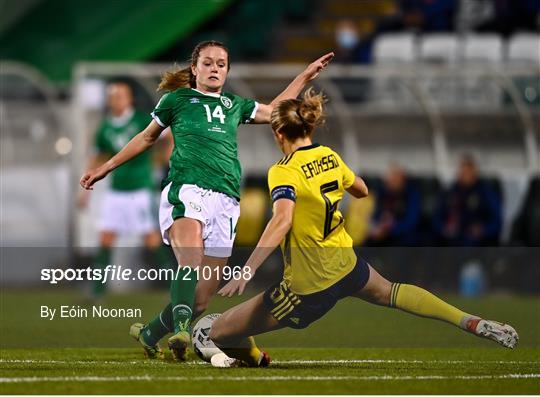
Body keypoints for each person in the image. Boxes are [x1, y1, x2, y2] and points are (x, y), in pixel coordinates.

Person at [208, 89, 518, 368]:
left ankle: (257, 359)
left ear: (278, 134)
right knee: (391, 291)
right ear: (309, 126)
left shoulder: (283, 171)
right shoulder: (329, 155)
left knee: (217, 331)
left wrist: (246, 271)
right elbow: (362, 189)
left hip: (309, 288)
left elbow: (282, 219)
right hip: (347, 265)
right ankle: (468, 321)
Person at [80, 40, 334, 361]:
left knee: (201, 299)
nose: (215, 68)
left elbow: (276, 110)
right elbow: (146, 137)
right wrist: (104, 167)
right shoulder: (178, 100)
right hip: (187, 188)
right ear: (194, 68)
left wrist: (305, 76)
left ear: (227, 71)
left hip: (226, 200)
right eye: (208, 63)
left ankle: (150, 333)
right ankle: (183, 331)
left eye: (221, 64)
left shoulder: (234, 105)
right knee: (191, 259)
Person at [78, 81, 173, 300]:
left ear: (129, 99)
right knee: (105, 238)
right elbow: (96, 157)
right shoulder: (105, 128)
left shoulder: (142, 120)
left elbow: (168, 135)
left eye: (121, 95)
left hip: (139, 190)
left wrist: (166, 160)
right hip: (116, 191)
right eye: (113, 96)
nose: (117, 99)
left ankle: (175, 288)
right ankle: (97, 292)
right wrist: (83, 192)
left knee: (151, 240)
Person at [433, 155, 502, 246]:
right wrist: (444, 228)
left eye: (468, 171)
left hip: (478, 241)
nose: (465, 174)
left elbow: (497, 220)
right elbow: (436, 217)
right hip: (453, 240)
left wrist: (482, 229)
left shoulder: (486, 192)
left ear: (474, 172)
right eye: (462, 171)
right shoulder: (449, 191)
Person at [367, 165, 421, 246]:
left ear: (402, 180)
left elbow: (412, 221)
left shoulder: (412, 195)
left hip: (405, 238)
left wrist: (391, 227)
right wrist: (378, 226)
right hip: (384, 236)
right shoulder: (383, 193)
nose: (389, 184)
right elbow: (375, 214)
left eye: (393, 181)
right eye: (388, 181)